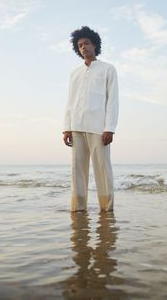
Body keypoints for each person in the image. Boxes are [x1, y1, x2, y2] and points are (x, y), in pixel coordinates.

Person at [63, 26, 119, 212]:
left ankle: (107, 208)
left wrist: (109, 128)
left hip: (98, 128)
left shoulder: (107, 69)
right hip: (77, 127)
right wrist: (66, 128)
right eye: (80, 45)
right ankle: (78, 209)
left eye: (86, 43)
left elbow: (112, 100)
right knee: (77, 171)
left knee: (103, 170)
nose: (83, 47)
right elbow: (70, 102)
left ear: (94, 44)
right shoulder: (74, 74)